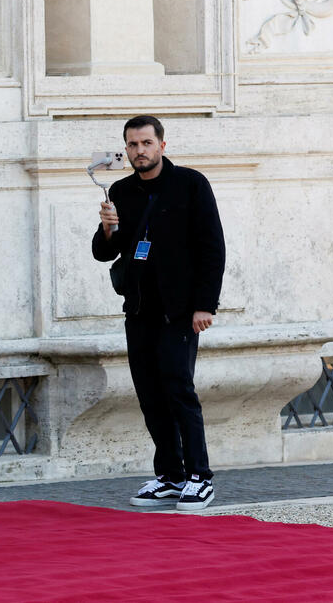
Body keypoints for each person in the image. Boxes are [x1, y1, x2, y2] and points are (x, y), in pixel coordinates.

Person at [93, 115, 226, 511]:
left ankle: (199, 477)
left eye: (146, 143)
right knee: (150, 394)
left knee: (179, 390)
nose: (139, 151)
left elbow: (212, 248)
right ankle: (170, 475)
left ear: (162, 146)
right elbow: (104, 253)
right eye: (132, 145)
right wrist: (107, 230)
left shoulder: (191, 184)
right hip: (139, 309)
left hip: (181, 311)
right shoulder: (120, 190)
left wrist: (206, 305)